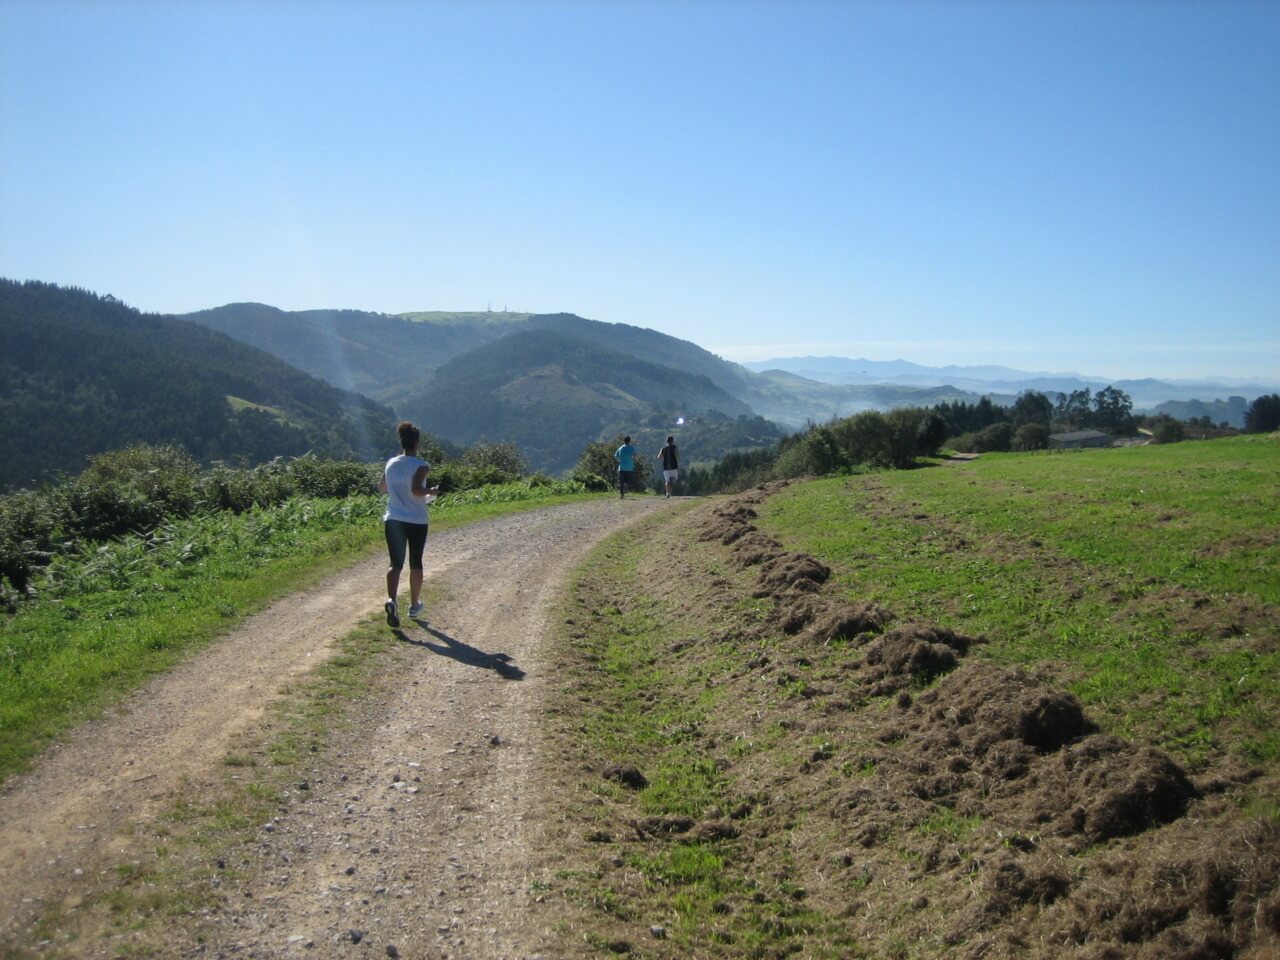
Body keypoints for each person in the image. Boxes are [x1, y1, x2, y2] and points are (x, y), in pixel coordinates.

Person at [379, 420, 437, 627]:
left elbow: (382, 488)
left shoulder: (391, 463)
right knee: (415, 562)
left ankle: (392, 600)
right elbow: (416, 490)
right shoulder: (421, 465)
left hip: (393, 518)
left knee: (395, 563)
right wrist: (432, 491)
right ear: (417, 443)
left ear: (402, 442)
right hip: (416, 520)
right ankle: (413, 605)